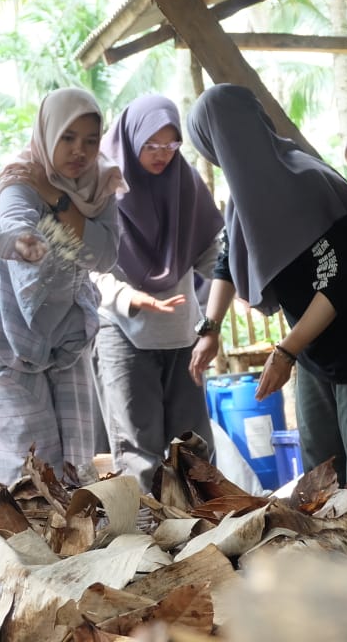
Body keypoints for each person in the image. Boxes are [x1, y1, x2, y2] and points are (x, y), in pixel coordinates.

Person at [187, 85, 347, 519]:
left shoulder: (306, 179)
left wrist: (287, 350)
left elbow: (341, 278)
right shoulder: (244, 200)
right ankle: (335, 563)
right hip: (315, 341)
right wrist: (210, 328)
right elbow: (226, 262)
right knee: (321, 469)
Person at [0, 87, 123, 485]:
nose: (79, 151)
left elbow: (104, 255)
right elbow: (15, 218)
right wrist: (23, 241)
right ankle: (29, 541)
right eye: (67, 138)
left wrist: (53, 198)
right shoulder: (19, 176)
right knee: (30, 458)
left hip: (64, 333)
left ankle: (78, 544)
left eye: (90, 140)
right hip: (5, 331)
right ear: (47, 133)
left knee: (75, 455)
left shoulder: (99, 184)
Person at [92, 94, 223, 491]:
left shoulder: (185, 184)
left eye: (171, 145)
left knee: (194, 450)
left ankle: (201, 536)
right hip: (123, 331)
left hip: (182, 335)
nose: (162, 155)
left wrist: (232, 294)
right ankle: (148, 541)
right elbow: (84, 264)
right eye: (151, 145)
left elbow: (211, 256)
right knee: (138, 451)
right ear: (131, 140)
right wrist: (128, 298)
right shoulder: (101, 188)